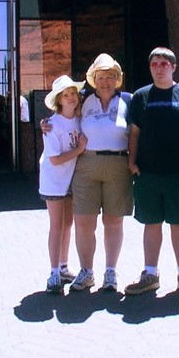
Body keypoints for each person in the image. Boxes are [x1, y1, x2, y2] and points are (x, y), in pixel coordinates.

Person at [41, 53, 133, 292]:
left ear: (116, 79)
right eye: (100, 77)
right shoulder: (83, 99)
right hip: (87, 165)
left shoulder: (129, 100)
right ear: (93, 79)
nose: (105, 82)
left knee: (113, 220)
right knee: (83, 221)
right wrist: (45, 123)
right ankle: (87, 271)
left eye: (110, 77)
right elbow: (63, 110)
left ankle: (110, 272)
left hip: (117, 165)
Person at [124, 47, 179, 298]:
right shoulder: (140, 96)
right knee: (151, 223)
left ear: (174, 67)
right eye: (154, 64)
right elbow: (134, 132)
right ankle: (150, 275)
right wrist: (132, 162)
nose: (159, 68)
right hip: (148, 173)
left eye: (164, 64)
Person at [39, 75, 87, 293]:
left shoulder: (78, 119)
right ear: (58, 99)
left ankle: (64, 266)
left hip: (70, 180)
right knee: (56, 226)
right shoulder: (52, 125)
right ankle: (53, 273)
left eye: (73, 93)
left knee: (68, 223)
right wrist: (78, 150)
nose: (70, 98)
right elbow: (55, 159)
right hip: (54, 181)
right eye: (65, 95)